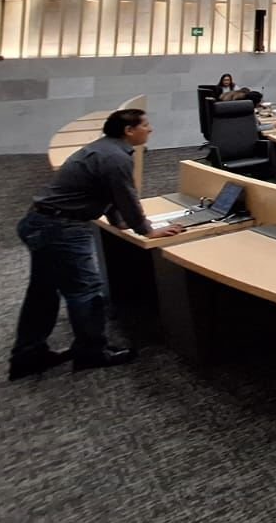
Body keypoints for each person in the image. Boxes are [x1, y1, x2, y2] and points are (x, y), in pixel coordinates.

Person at [10, 108, 182, 377]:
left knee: (43, 292)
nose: (150, 129)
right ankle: (91, 352)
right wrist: (146, 230)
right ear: (129, 131)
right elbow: (124, 196)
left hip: (40, 222)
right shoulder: (116, 157)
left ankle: (28, 355)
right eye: (145, 125)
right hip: (62, 228)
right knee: (86, 291)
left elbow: (107, 193)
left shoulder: (104, 149)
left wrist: (118, 223)